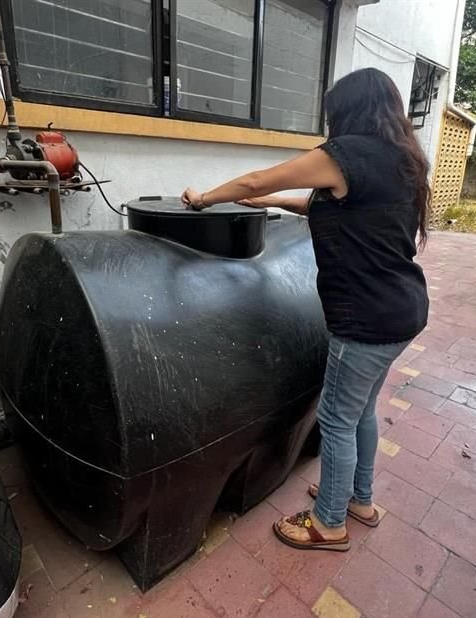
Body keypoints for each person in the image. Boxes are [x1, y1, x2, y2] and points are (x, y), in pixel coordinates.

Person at [180, 68, 430, 552]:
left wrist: (205, 198)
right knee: (361, 413)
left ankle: (329, 522)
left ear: (348, 110)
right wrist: (271, 200)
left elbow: (255, 176)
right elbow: (333, 206)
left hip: (365, 319)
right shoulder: (402, 159)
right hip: (404, 309)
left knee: (336, 418)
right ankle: (359, 499)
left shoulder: (345, 154)